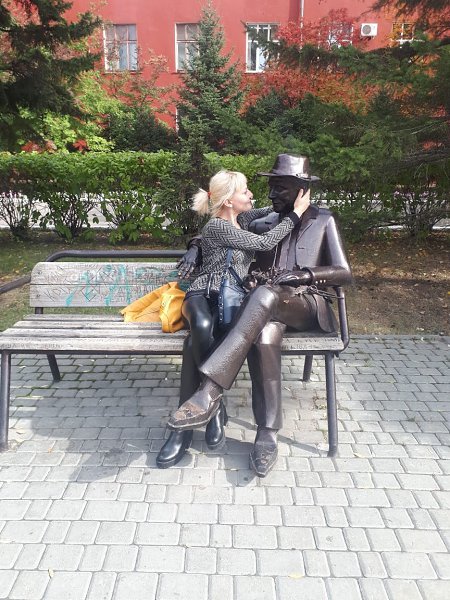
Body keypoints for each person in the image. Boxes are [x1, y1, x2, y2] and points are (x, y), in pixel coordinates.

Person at [168, 154, 352, 476]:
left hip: (305, 303)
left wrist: (306, 275)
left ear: (301, 189)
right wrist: (196, 245)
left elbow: (344, 272)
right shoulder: (264, 221)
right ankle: (266, 433)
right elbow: (220, 227)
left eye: (279, 188)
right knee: (261, 334)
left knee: (262, 297)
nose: (270, 194)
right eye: (269, 187)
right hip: (264, 309)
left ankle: (209, 392)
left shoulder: (323, 219)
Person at [156, 168, 311, 468]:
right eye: (245, 191)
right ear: (228, 200)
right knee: (201, 327)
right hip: (201, 294)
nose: (251, 195)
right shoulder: (217, 227)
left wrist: (295, 200)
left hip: (231, 299)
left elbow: (274, 208)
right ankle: (209, 412)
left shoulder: (246, 218)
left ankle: (201, 411)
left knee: (197, 342)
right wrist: (296, 215)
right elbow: (264, 243)